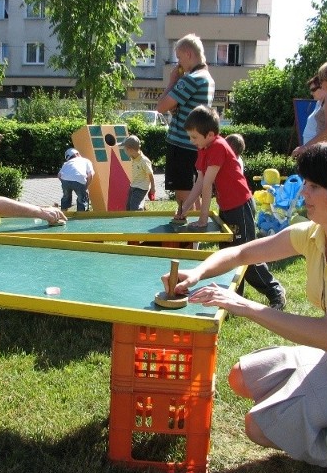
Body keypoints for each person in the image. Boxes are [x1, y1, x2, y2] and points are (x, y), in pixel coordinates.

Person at [163, 142, 327, 473]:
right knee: (240, 377)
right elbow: (242, 254)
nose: (303, 194)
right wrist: (196, 272)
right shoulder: (312, 234)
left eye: (313, 186)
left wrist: (246, 306)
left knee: (258, 427)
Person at [176, 105, 286, 310]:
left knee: (245, 254)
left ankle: (274, 290)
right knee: (227, 254)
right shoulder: (203, 149)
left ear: (210, 134)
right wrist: (185, 208)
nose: (192, 142)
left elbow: (208, 185)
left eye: (194, 137)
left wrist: (202, 220)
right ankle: (234, 297)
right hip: (227, 207)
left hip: (240, 206)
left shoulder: (218, 146)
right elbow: (199, 182)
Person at [156, 33, 215, 209]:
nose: (178, 63)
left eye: (179, 57)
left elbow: (161, 107)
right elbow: (183, 110)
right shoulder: (207, 78)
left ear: (189, 54)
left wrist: (172, 81)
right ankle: (194, 231)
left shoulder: (191, 79)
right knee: (192, 191)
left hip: (181, 145)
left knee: (182, 194)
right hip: (193, 145)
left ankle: (185, 233)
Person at [121, 135, 156, 210]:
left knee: (134, 208)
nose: (124, 151)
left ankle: (139, 216)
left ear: (130, 150)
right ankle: (142, 208)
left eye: (125, 149)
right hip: (133, 186)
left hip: (141, 187)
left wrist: (153, 187)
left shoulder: (144, 161)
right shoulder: (134, 157)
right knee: (128, 207)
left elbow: (150, 174)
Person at [57, 147, 95, 212]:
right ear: (77, 154)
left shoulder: (66, 163)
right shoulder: (85, 160)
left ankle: (63, 212)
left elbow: (59, 175)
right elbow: (90, 174)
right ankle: (80, 215)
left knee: (66, 197)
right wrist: (86, 185)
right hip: (79, 179)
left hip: (65, 180)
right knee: (81, 198)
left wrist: (64, 182)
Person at [302, 76, 327, 145]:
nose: (311, 93)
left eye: (313, 90)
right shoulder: (318, 103)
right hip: (312, 147)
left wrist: (305, 147)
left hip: (318, 147)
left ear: (322, 87)